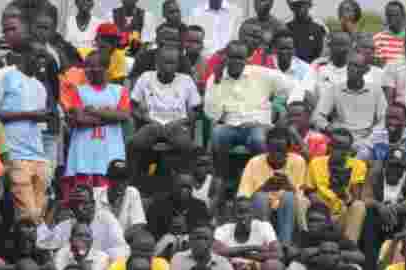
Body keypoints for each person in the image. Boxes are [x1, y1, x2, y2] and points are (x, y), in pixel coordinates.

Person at [205, 41, 295, 182]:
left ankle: (263, 180)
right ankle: (222, 180)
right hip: (230, 126)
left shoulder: (261, 73)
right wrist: (217, 84)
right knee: (217, 135)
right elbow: (211, 114)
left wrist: (279, 107)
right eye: (232, 57)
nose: (236, 61)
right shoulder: (216, 78)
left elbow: (293, 87)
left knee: (258, 140)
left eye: (240, 57)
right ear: (225, 58)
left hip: (258, 125)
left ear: (247, 59)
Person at [0, 41, 49, 224]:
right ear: (26, 54)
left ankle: (34, 250)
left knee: (40, 215)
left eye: (44, 57)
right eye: (38, 56)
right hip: (14, 153)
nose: (42, 61)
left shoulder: (40, 86)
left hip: (38, 155)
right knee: (28, 214)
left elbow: (39, 124)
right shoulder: (4, 75)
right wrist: (28, 114)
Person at [128, 45, 200, 182]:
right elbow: (133, 106)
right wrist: (145, 118)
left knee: (190, 148)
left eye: (173, 63)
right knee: (133, 145)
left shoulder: (186, 80)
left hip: (177, 126)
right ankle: (134, 182)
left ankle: (185, 183)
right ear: (157, 63)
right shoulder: (146, 77)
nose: (169, 66)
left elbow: (195, 110)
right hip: (151, 125)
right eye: (165, 62)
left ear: (178, 64)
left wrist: (181, 121)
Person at [64, 50, 131, 196]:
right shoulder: (79, 91)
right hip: (83, 150)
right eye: (87, 66)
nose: (90, 70)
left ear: (106, 67)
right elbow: (79, 119)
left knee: (107, 196)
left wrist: (94, 111)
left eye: (95, 66)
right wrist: (110, 116)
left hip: (110, 151)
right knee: (80, 196)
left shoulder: (119, 91)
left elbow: (124, 115)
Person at [238, 126, 309, 247]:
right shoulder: (254, 162)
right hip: (262, 206)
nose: (277, 154)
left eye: (281, 150)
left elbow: (300, 196)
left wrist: (288, 186)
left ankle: (284, 245)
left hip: (288, 205)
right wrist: (265, 187)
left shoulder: (298, 161)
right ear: (266, 147)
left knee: (288, 196)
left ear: (288, 149)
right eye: (273, 149)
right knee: (261, 197)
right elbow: (243, 196)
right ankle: (264, 243)